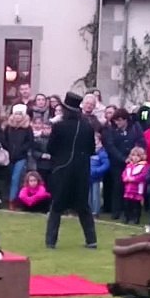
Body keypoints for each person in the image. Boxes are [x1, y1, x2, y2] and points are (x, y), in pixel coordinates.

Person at [44, 91, 98, 249]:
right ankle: (91, 240)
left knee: (57, 206)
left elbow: (51, 148)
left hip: (62, 169)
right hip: (81, 170)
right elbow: (91, 149)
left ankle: (51, 241)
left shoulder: (59, 126)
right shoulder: (87, 127)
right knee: (83, 206)